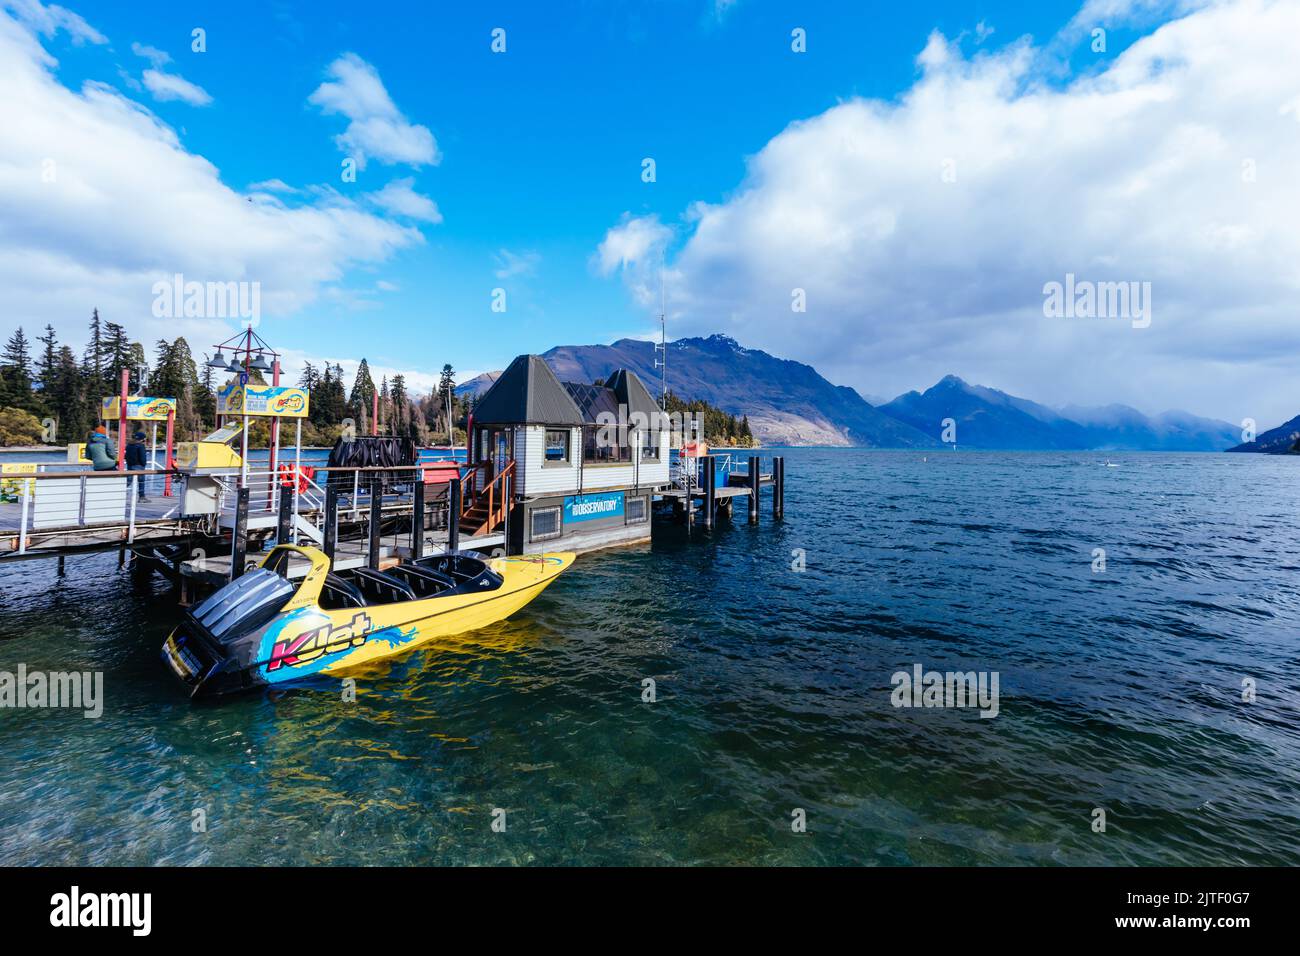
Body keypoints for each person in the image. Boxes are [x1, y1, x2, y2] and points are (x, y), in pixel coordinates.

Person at [125, 429, 149, 500]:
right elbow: (142, 457)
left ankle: (118, 491)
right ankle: (142, 497)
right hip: (139, 466)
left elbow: (126, 456)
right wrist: (143, 464)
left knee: (128, 481)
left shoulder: (129, 445)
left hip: (130, 465)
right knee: (141, 481)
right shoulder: (141, 446)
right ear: (142, 439)